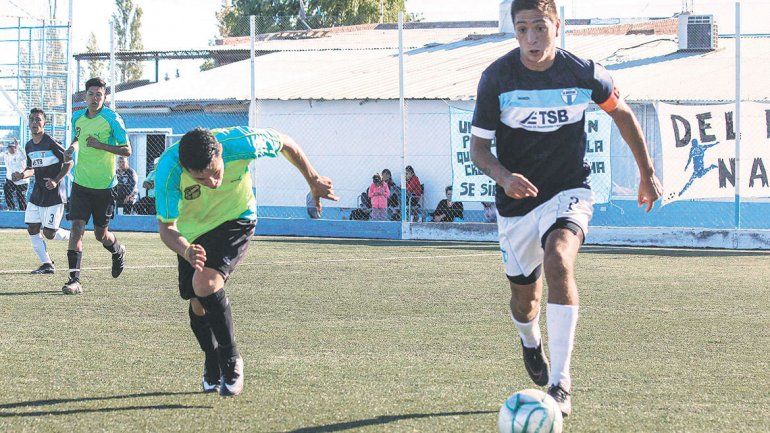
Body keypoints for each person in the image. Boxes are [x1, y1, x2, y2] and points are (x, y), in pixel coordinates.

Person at [470, 0, 662, 417]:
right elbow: (479, 149)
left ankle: (561, 383)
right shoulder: (496, 78)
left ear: (557, 24)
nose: (530, 38)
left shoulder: (583, 72)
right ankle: (529, 340)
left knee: (559, 258)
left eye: (539, 27)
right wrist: (504, 178)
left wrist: (646, 173)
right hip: (516, 202)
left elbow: (623, 114)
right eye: (521, 29)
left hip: (568, 189)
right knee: (525, 302)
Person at [155, 126, 337, 397]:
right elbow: (167, 227)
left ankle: (231, 361)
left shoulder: (242, 143)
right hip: (192, 234)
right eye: (202, 180)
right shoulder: (168, 171)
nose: (213, 184)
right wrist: (186, 250)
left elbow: (286, 142)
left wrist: (313, 179)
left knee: (204, 283)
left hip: (236, 218)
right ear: (185, 168)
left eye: (216, 173)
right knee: (196, 302)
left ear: (220, 153)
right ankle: (212, 358)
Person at [62, 77, 131, 295]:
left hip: (104, 187)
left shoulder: (112, 119)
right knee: (76, 228)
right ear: (85, 96)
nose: (94, 98)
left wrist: (100, 145)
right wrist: (72, 148)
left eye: (99, 95)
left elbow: (126, 150)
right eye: (91, 94)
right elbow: (77, 138)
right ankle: (74, 280)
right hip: (80, 183)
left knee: (101, 234)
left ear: (104, 97)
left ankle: (117, 250)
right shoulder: (77, 117)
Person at [12, 109, 73, 274]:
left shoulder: (50, 142)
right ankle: (47, 264)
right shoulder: (29, 145)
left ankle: (74, 235)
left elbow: (69, 162)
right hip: (37, 193)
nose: (34, 123)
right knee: (32, 228)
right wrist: (22, 174)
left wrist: (56, 180)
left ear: (44, 123)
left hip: (54, 194)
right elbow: (32, 167)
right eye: (31, 119)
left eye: (38, 119)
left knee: (49, 233)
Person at [2, 139, 29, 210]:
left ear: (15, 148)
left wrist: (18, 146)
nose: (10, 149)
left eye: (12, 147)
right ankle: (11, 207)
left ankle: (23, 211)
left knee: (21, 198)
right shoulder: (6, 155)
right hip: (11, 180)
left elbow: (25, 155)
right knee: (6, 189)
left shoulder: (20, 154)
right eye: (9, 147)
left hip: (22, 181)